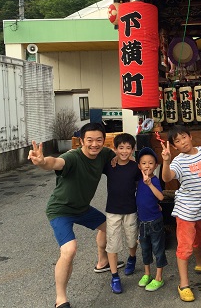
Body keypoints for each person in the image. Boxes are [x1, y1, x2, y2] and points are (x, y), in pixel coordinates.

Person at [28, 122, 121, 308]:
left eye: (99, 140)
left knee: (110, 227)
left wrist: (121, 157)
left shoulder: (104, 154)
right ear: (81, 141)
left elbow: (120, 157)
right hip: (60, 209)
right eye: (89, 140)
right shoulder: (72, 157)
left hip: (82, 208)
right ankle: (60, 298)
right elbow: (55, 162)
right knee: (69, 250)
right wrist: (42, 161)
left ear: (104, 140)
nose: (94, 144)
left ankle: (102, 261)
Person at [160, 125, 201, 302]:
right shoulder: (177, 161)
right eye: (177, 141)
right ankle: (183, 284)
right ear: (175, 146)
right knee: (184, 246)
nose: (182, 142)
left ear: (190, 137)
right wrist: (166, 161)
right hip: (186, 210)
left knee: (199, 238)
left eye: (183, 137)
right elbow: (167, 178)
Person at [102, 133, 141, 294]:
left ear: (133, 149)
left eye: (128, 148)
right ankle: (115, 277)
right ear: (115, 149)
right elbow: (96, 158)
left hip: (131, 209)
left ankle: (132, 258)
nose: (124, 151)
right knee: (112, 243)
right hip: (112, 211)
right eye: (121, 148)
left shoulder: (135, 167)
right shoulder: (109, 166)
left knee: (132, 239)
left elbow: (142, 186)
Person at [136, 147, 168, 292]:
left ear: (156, 166)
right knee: (145, 249)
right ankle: (147, 273)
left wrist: (149, 184)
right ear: (139, 166)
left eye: (150, 163)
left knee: (158, 249)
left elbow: (160, 197)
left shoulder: (154, 180)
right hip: (142, 221)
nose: (147, 166)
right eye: (143, 163)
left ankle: (159, 277)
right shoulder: (139, 181)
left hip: (155, 221)